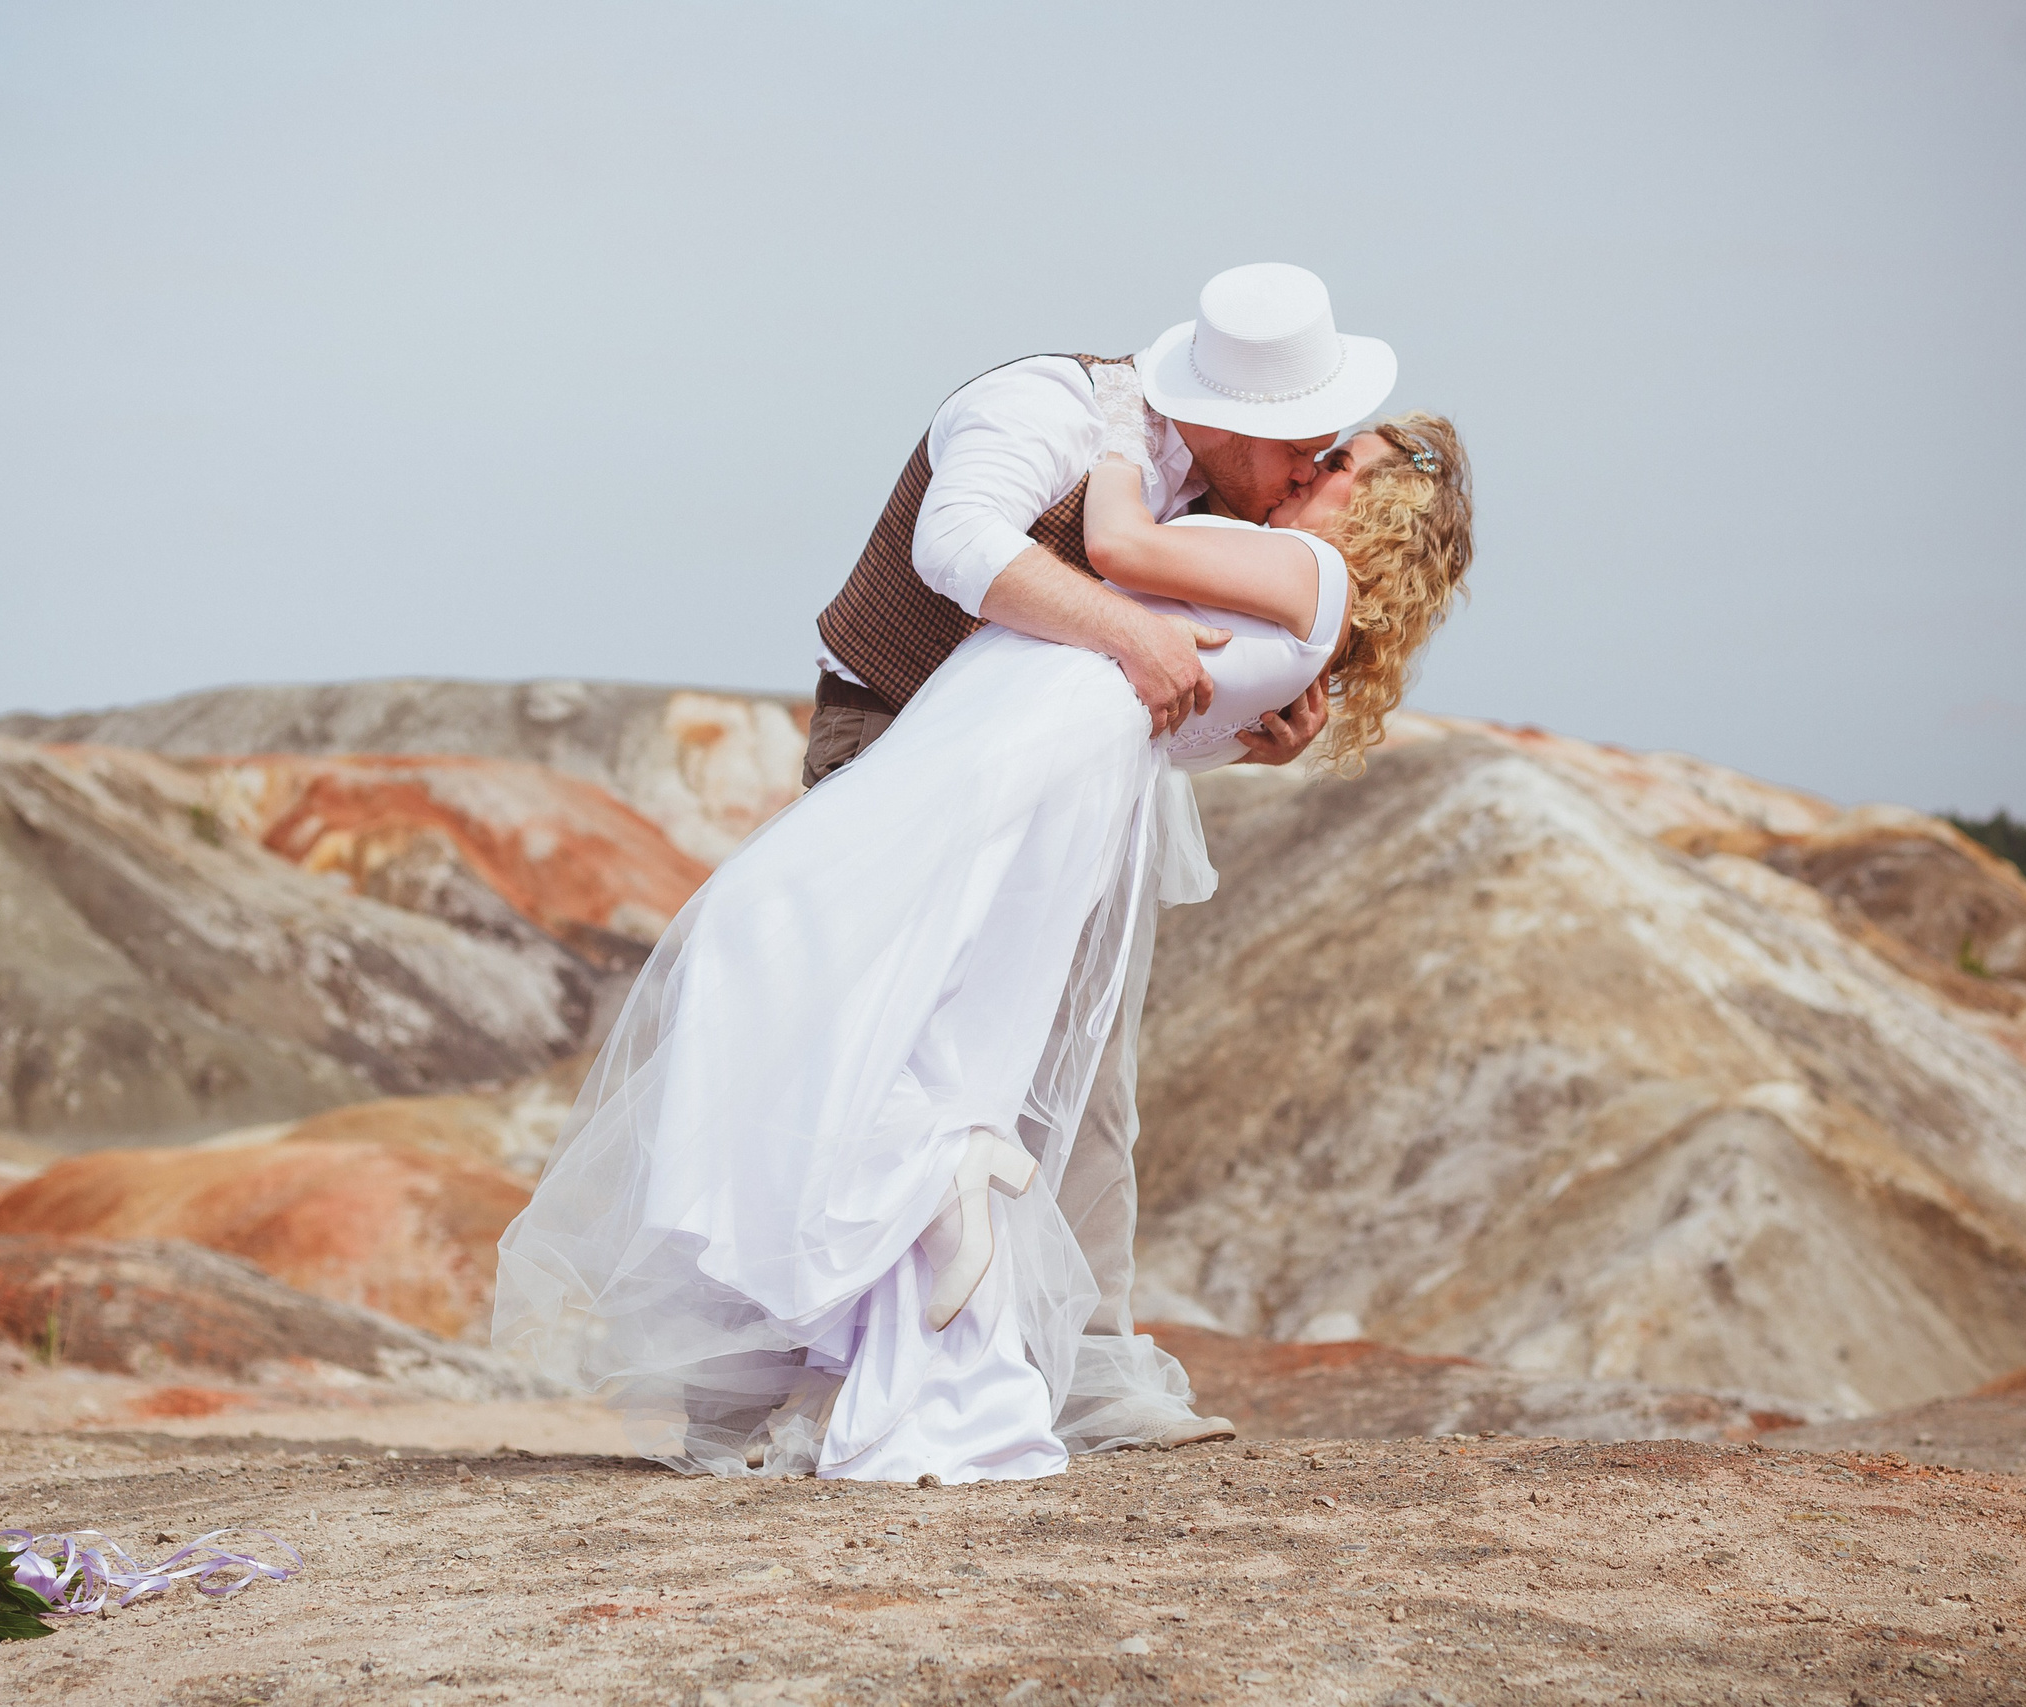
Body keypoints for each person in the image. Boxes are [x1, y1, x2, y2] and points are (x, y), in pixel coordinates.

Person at [491, 377, 1475, 1479]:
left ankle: (966, 1302)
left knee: (883, 1022)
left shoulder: (1281, 554)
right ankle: (822, 1327)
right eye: (1307, 448)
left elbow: (1131, 613)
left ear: (1386, 509)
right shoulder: (1069, 420)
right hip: (942, 751)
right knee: (845, 1014)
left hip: (1006, 783)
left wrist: (1122, 453)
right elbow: (1027, 589)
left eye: (1338, 461)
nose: (1310, 465)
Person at [798, 262, 1400, 1452]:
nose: (1307, 475)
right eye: (1300, 450)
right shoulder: (1043, 409)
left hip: (1076, 796)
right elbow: (957, 543)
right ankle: (841, 1360)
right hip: (895, 751)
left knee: (1086, 1065)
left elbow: (1124, 701)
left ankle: (1085, 1359)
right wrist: (1130, 628)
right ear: (1232, 423)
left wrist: (1246, 745)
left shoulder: (1227, 511)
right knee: (894, 1056)